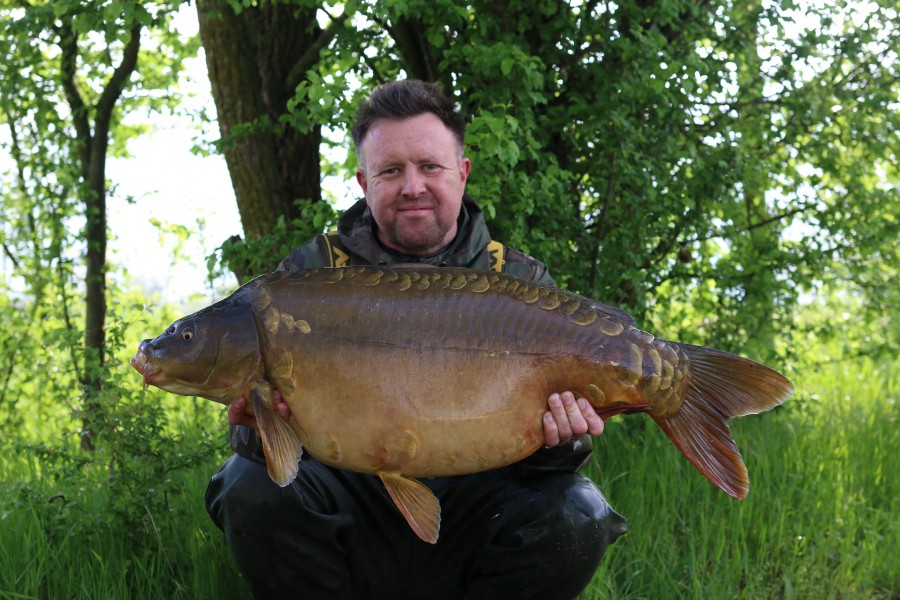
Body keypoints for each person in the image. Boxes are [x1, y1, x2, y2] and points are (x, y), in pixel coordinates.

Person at [205, 79, 627, 600]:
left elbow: (552, 468)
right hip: (354, 500)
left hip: (480, 502)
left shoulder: (515, 280)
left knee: (577, 514)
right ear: (364, 181)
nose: (412, 186)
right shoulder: (311, 275)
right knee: (247, 488)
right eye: (390, 170)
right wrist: (256, 424)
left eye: (429, 166)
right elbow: (269, 454)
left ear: (462, 172)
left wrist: (567, 437)